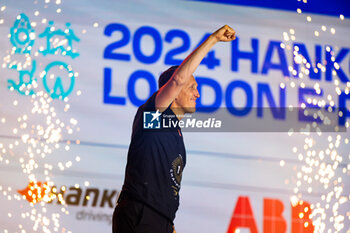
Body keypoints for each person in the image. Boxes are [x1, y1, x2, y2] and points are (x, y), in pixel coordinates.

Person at [112, 25, 236, 233]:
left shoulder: (176, 133)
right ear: (174, 92)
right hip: (140, 213)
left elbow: (167, 189)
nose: (197, 94)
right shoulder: (152, 116)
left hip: (161, 221)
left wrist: (170, 226)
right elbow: (178, 79)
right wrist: (213, 39)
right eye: (192, 87)